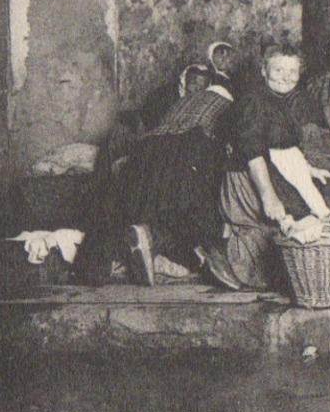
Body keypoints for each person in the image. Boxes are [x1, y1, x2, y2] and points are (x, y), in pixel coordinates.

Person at [79, 65, 236, 286]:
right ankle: (156, 238)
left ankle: (100, 266)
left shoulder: (182, 102)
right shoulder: (228, 105)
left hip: (147, 148)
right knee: (190, 206)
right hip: (188, 147)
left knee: (130, 207)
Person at [202, 44, 330, 290]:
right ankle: (216, 255)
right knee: (280, 235)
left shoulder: (281, 99)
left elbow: (283, 145)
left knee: (307, 223)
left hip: (282, 169)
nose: (286, 77)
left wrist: (308, 169)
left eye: (292, 71)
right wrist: (269, 196)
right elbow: (253, 153)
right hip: (253, 174)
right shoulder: (253, 101)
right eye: (278, 70)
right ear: (264, 70)